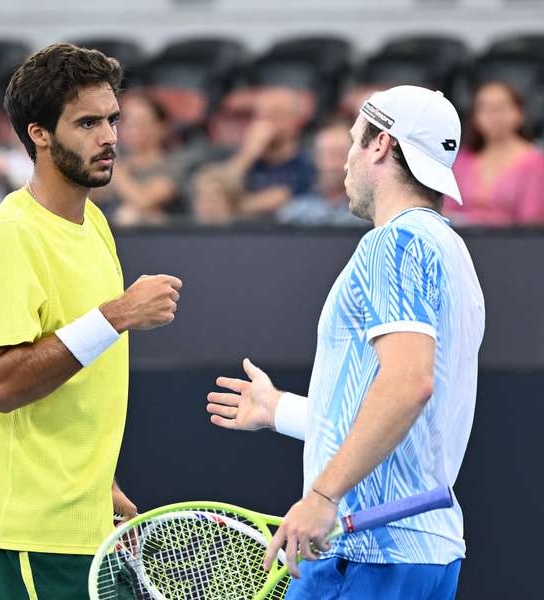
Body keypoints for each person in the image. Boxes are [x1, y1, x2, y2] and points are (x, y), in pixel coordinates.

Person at [207, 86, 484, 600]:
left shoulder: (393, 243)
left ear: (381, 145)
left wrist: (321, 496)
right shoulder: (451, 251)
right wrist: (279, 410)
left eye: (356, 141)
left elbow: (407, 386)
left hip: (367, 555)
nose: (346, 161)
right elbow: (406, 418)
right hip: (425, 554)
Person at [0, 43, 183, 599]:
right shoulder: (8, 236)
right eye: (86, 123)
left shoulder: (95, 224)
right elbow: (4, 383)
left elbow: (77, 391)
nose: (108, 137)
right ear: (40, 134)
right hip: (27, 530)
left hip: (83, 522)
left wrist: (101, 485)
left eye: (112, 120)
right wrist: (118, 314)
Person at [447, 81, 544, 226]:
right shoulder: (462, 159)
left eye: (500, 108)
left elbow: (533, 222)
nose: (492, 115)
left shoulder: (535, 162)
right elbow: (446, 211)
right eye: (484, 108)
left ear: (519, 113)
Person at [92, 93, 183, 225]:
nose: (132, 129)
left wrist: (112, 164)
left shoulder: (174, 164)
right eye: (127, 122)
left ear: (161, 127)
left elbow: (143, 200)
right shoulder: (117, 164)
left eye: (140, 122)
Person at [226, 86, 315, 217]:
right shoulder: (245, 160)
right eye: (259, 115)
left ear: (294, 120)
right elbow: (219, 195)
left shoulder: (307, 164)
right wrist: (247, 155)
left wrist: (237, 205)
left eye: (274, 114)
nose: (265, 122)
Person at [278, 118, 367, 226]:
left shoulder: (368, 215)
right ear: (314, 157)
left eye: (339, 154)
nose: (331, 165)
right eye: (325, 155)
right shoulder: (294, 213)